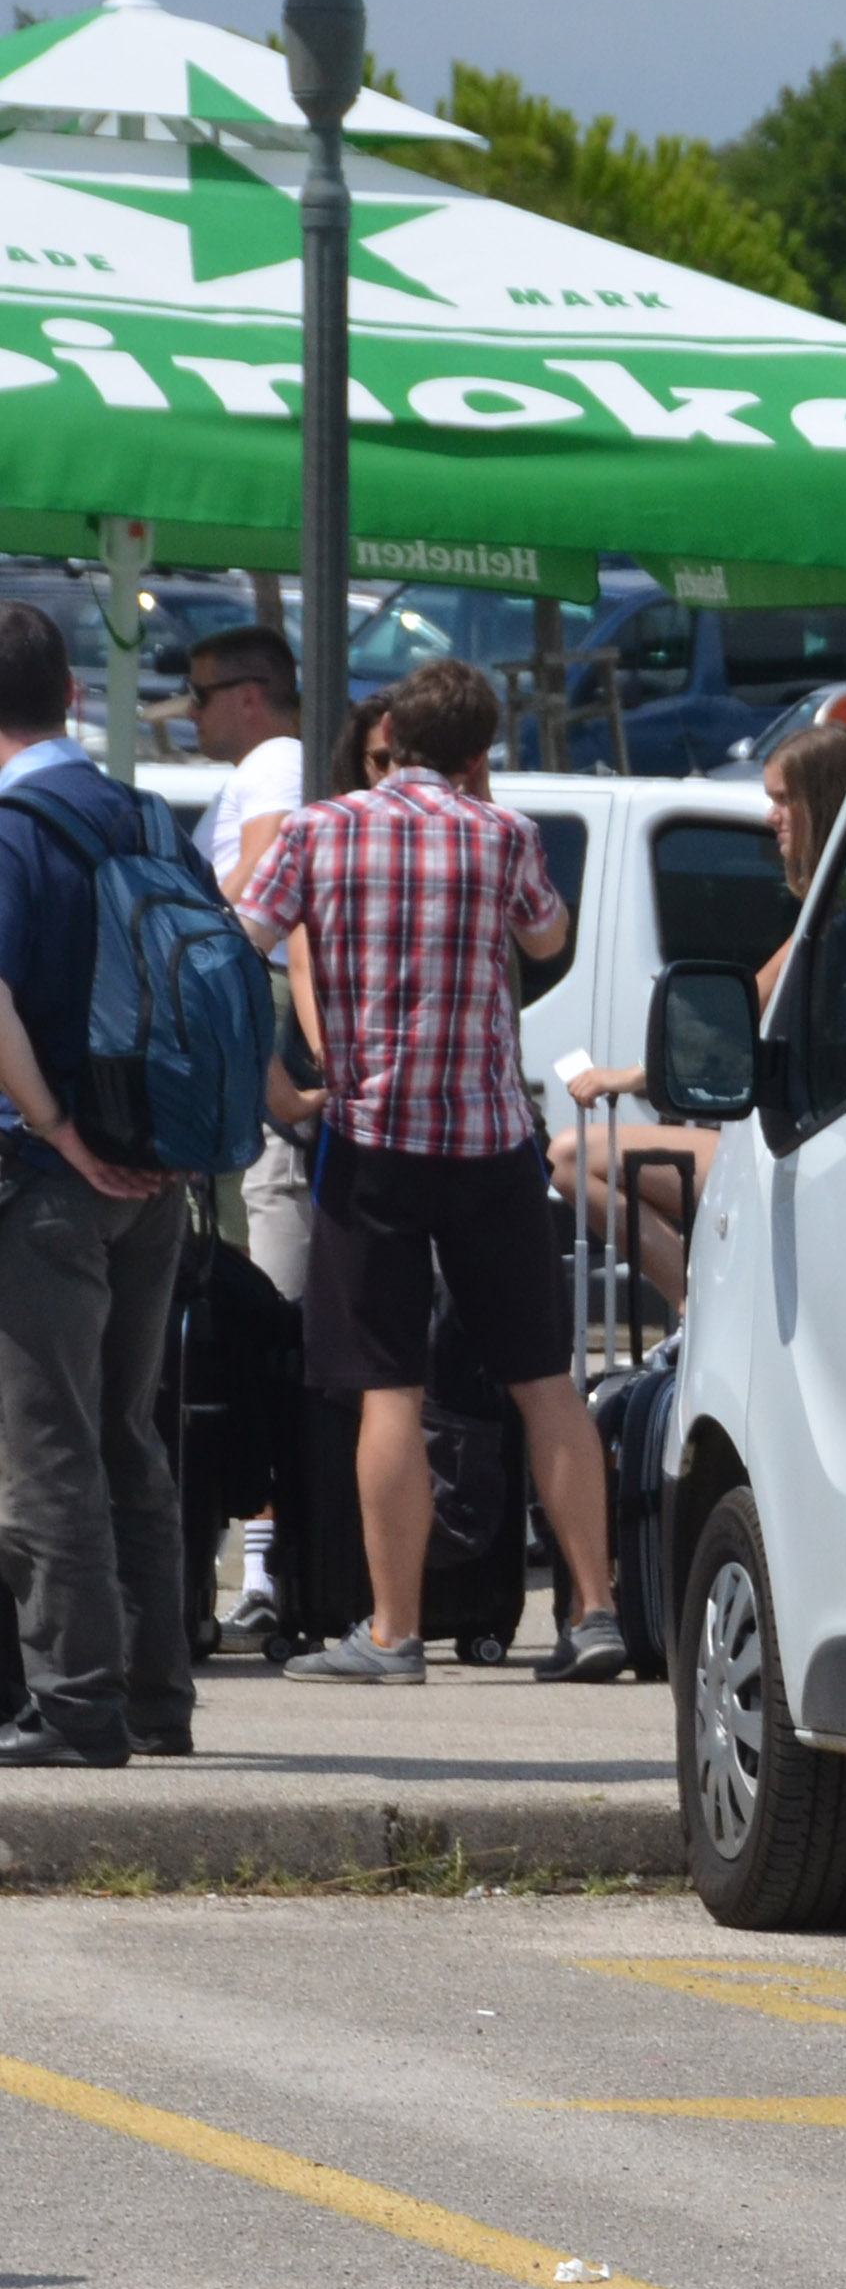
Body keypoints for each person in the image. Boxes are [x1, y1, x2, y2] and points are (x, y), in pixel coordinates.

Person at [236, 659, 626, 1686]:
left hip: (372, 1143)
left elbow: (240, 945)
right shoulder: (502, 836)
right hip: (492, 1142)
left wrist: (278, 1076)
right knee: (546, 1382)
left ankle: (395, 1630)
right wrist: (485, 811)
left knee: (390, 1391)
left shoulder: (319, 830)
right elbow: (548, 935)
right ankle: (592, 1611)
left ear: (395, 732)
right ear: (478, 752)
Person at [0, 601, 204, 1765]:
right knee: (129, 1433)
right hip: (157, 1174)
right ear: (72, 692)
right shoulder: (147, 815)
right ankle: (154, 1692)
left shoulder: (12, 830)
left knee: (47, 1443)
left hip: (48, 1180)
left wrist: (54, 1125)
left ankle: (76, 1703)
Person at [561, 722, 846, 1309]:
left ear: (820, 804)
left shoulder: (840, 917)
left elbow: (738, 1014)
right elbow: (750, 1003)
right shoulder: (838, 910)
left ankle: (693, 1311)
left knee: (570, 1156)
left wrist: (630, 1076)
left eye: (782, 801)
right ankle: (692, 1309)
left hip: (798, 1153)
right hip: (789, 1145)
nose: (771, 816)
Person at [180, 624, 322, 1652]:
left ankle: (268, 1563)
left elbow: (262, 902)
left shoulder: (275, 760)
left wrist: (178, 922)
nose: (189, 715)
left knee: (256, 1287)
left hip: (245, 1037)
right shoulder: (273, 758)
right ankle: (265, 1557)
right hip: (253, 1042)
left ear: (250, 697)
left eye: (198, 696)